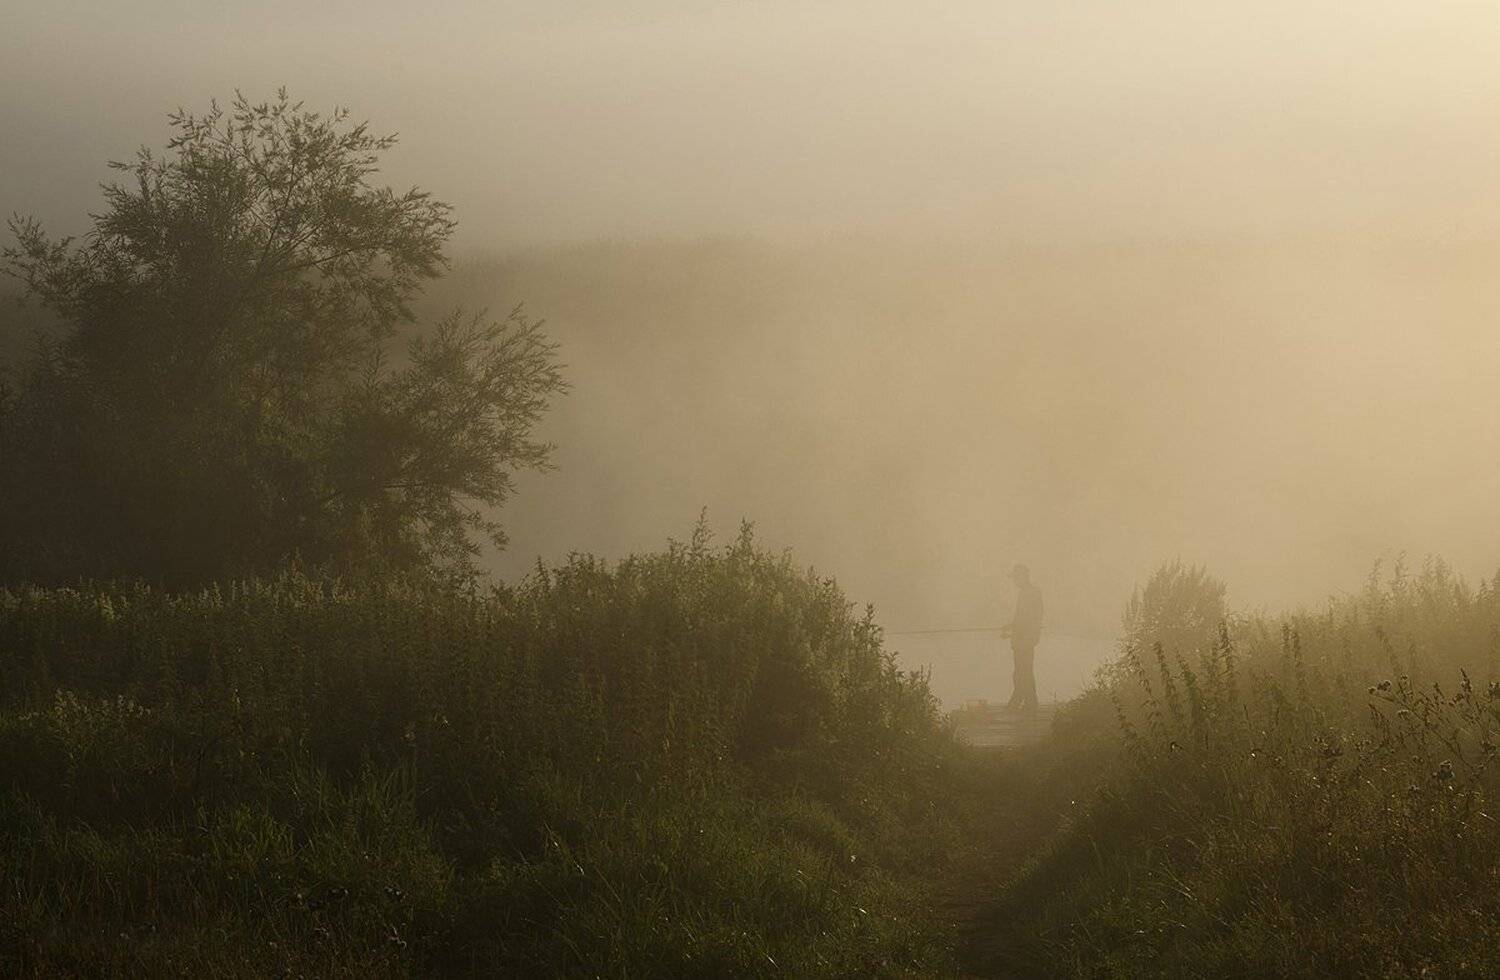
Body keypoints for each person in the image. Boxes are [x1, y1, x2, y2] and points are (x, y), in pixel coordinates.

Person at [1000, 564, 1043, 716]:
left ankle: (1023, 702)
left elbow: (1031, 619)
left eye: (1016, 577)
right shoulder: (1026, 592)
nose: (1014, 581)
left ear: (1023, 576)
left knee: (1022, 672)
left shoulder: (1031, 593)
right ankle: (1027, 702)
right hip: (1022, 639)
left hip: (1025, 640)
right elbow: (1020, 618)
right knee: (1022, 671)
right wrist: (1009, 627)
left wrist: (1020, 634)